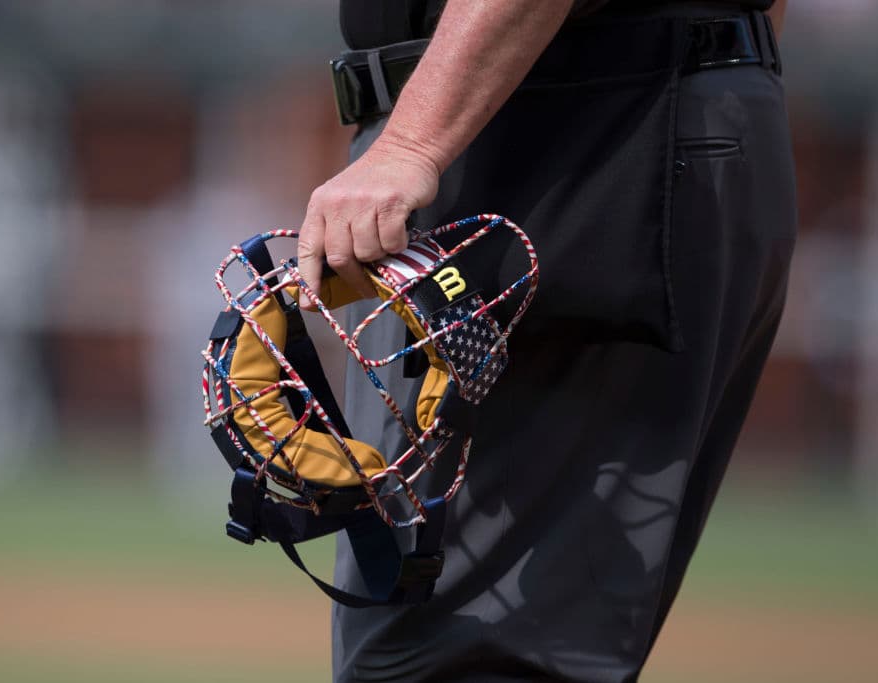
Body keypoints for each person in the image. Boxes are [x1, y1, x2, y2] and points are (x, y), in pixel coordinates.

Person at [298, 1, 796, 681]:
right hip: (650, 108)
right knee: (515, 642)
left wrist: (412, 141)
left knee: (448, 653)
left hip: (562, 132)